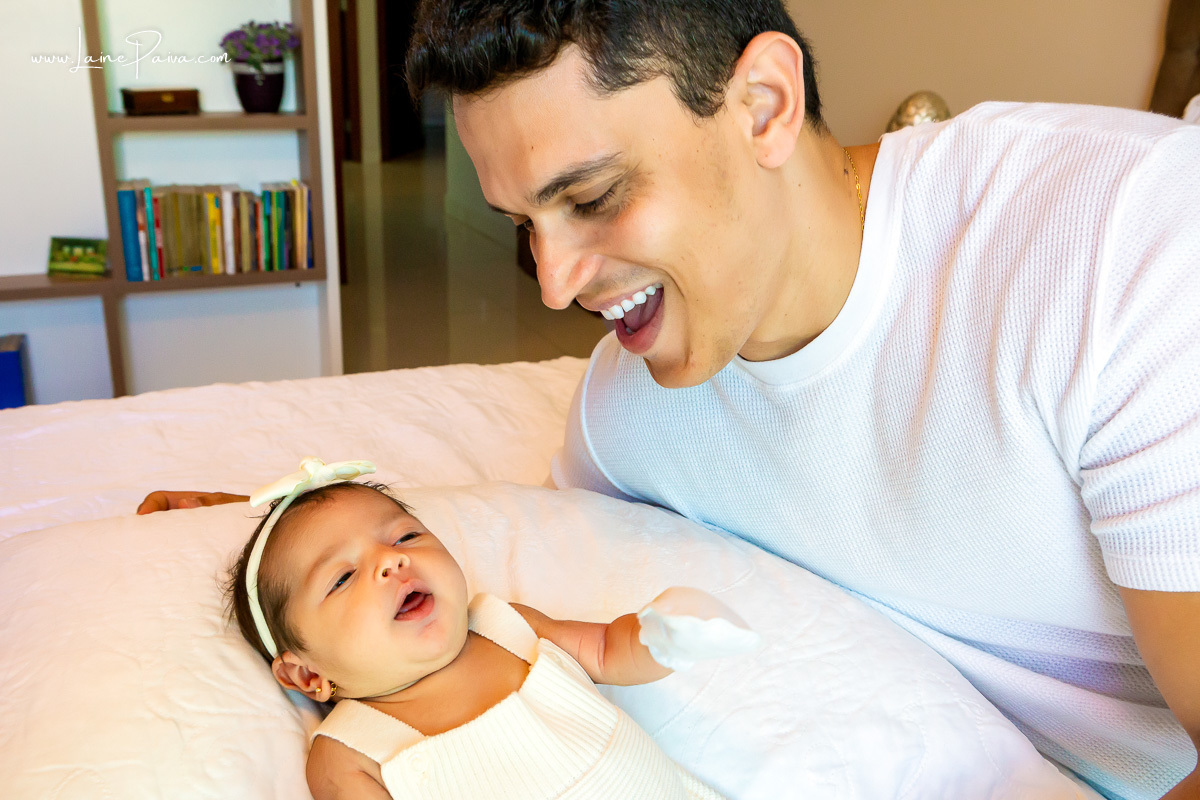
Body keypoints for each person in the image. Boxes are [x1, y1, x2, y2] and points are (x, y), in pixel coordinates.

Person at [142, 2, 1200, 798]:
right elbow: (516, 541)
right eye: (523, 225)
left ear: (763, 106)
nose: (554, 285)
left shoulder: (1123, 242)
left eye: (592, 197)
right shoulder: (632, 409)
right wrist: (288, 525)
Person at [224, 457, 752, 800]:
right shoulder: (347, 753)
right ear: (307, 676)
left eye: (405, 537)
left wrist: (660, 636)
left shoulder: (506, 624)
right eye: (342, 578)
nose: (391, 561)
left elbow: (606, 649)